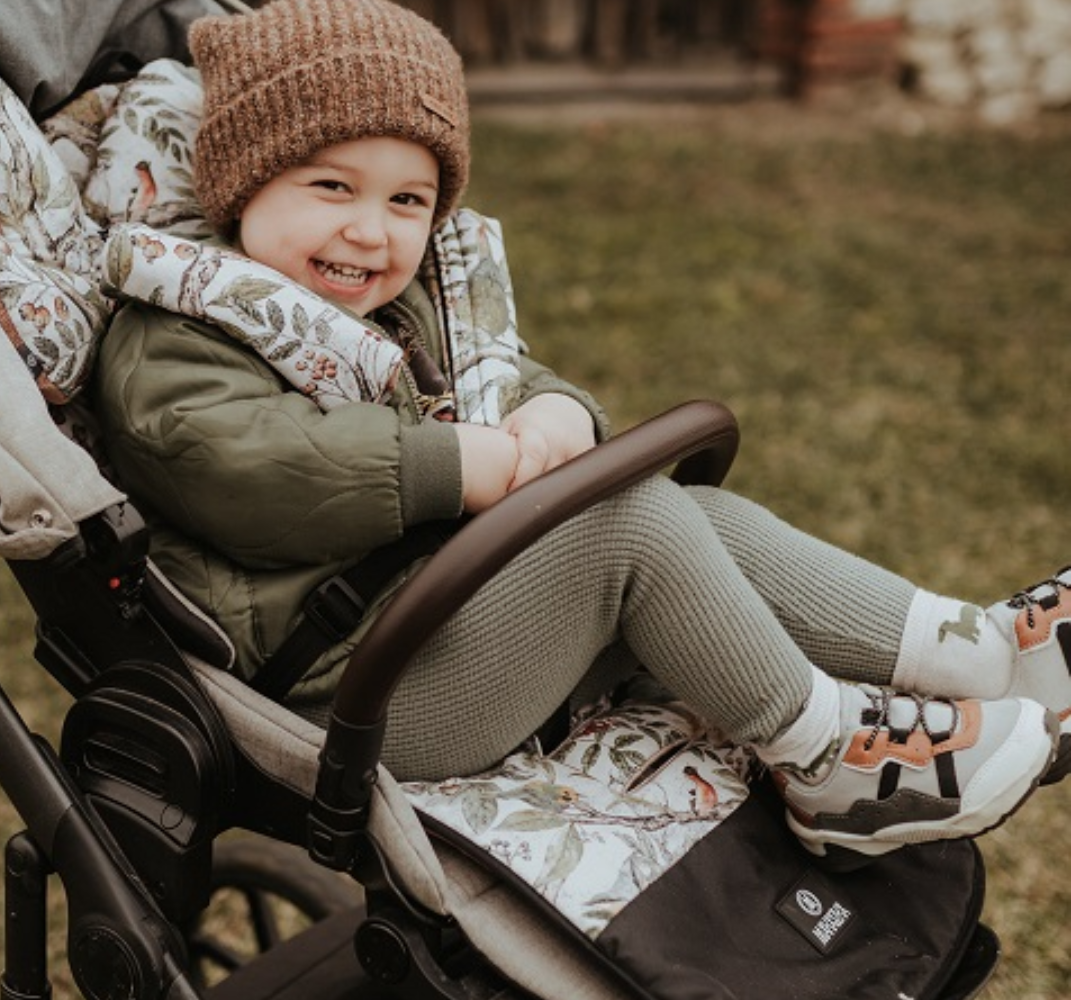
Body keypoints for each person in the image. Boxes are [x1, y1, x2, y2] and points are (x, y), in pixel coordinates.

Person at [92, 0, 1070, 866]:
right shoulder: (176, 338)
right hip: (361, 688)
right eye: (331, 188)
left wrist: (557, 410)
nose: (370, 231)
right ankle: (824, 764)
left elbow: (495, 373)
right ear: (240, 187)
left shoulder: (393, 313)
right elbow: (253, 471)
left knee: (702, 516)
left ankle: (972, 651)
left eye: (407, 201)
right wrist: (445, 466)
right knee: (629, 524)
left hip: (458, 610)